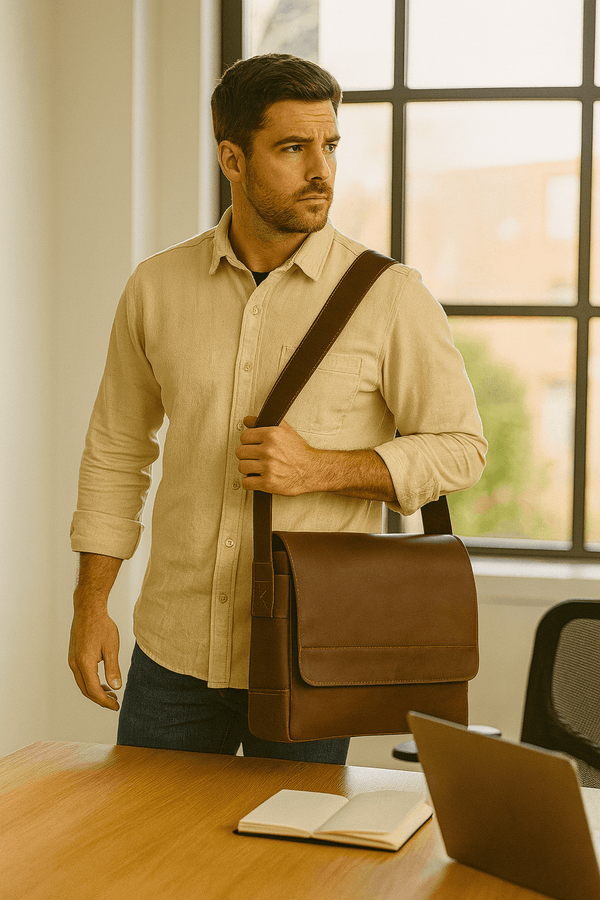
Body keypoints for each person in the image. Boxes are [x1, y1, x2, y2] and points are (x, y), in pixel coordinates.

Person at [68, 53, 486, 764]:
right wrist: (89, 607)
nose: (320, 170)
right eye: (293, 149)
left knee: (289, 868)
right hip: (172, 655)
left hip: (310, 654)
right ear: (232, 158)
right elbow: (116, 452)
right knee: (150, 867)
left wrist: (321, 469)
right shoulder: (157, 288)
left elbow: (462, 449)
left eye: (329, 146)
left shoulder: (390, 296)